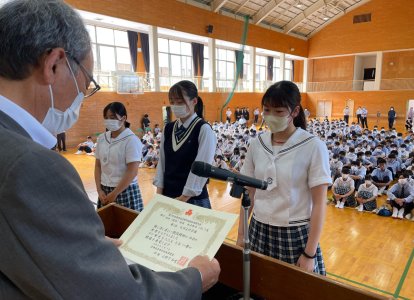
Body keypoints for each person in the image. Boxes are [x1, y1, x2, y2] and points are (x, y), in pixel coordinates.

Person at [0, 1, 219, 298]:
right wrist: (194, 278)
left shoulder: (202, 129)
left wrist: (85, 247)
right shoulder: (32, 165)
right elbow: (118, 293)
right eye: (86, 81)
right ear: (53, 64)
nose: (82, 95)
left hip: (189, 201)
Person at [237, 81, 331, 275]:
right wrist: (241, 234)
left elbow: (320, 204)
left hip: (294, 233)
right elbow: (249, 192)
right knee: (257, 287)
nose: (271, 116)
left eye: (278, 111)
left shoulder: (313, 146)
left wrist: (309, 254)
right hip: (258, 229)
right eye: (267, 110)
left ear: (295, 112)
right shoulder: (257, 144)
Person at [154, 80, 216, 209]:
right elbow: (162, 163)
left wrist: (184, 198)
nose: (175, 106)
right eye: (172, 102)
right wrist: (159, 194)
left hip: (193, 200)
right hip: (168, 195)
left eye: (180, 102)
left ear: (194, 101)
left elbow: (202, 169)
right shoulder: (168, 128)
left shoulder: (203, 129)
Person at [95, 102, 144, 211]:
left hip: (125, 190)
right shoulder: (102, 138)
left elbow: (132, 171)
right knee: (108, 226)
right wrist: (99, 190)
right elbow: (98, 166)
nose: (108, 120)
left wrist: (115, 193)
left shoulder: (131, 140)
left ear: (123, 118)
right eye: (106, 118)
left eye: (112, 117)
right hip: (104, 190)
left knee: (128, 226)